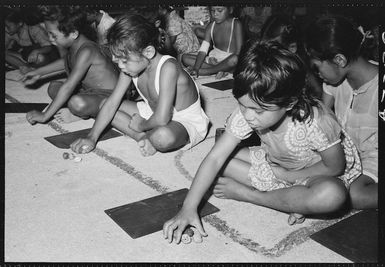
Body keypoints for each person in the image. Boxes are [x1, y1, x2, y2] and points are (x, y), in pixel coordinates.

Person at [163, 40, 362, 244]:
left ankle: (253, 195)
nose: (249, 116)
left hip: (315, 173)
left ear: (289, 103)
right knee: (218, 156)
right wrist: (188, 207)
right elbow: (215, 158)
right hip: (275, 163)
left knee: (332, 195)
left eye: (258, 110)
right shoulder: (250, 108)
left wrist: (290, 176)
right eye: (242, 105)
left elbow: (335, 167)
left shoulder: (317, 121)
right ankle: (292, 199)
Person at [70, 14, 209, 157]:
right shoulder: (130, 68)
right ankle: (142, 137)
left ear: (148, 52)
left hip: (183, 120)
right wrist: (91, 137)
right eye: (117, 60)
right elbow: (112, 103)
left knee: (161, 137)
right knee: (105, 104)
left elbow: (162, 118)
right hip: (152, 111)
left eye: (124, 60)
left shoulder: (168, 67)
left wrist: (141, 125)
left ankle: (147, 134)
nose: (119, 65)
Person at [304, 15, 378, 209]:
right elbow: (322, 117)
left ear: (339, 59)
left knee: (356, 196)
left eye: (317, 67)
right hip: (347, 153)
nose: (318, 74)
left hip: (375, 157)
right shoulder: (333, 82)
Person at [22, 6, 119, 125]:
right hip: (90, 90)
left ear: (73, 33)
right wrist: (39, 72)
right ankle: (87, 108)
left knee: (76, 103)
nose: (51, 39)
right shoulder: (75, 44)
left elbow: (69, 86)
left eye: (54, 35)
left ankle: (84, 115)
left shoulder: (87, 50)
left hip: (110, 96)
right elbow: (66, 62)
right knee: (53, 87)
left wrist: (45, 115)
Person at [260, 13, 323, 98]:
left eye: (274, 49)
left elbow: (317, 90)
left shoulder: (298, 68)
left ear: (292, 48)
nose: (267, 53)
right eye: (264, 47)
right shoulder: (265, 62)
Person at [182, 6, 244, 79]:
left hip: (228, 61)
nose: (215, 14)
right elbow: (203, 50)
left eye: (220, 10)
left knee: (235, 59)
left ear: (230, 10)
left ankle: (208, 71)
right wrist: (196, 68)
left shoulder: (236, 24)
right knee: (185, 57)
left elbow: (239, 52)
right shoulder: (211, 26)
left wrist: (221, 63)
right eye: (213, 11)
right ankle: (219, 70)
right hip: (213, 60)